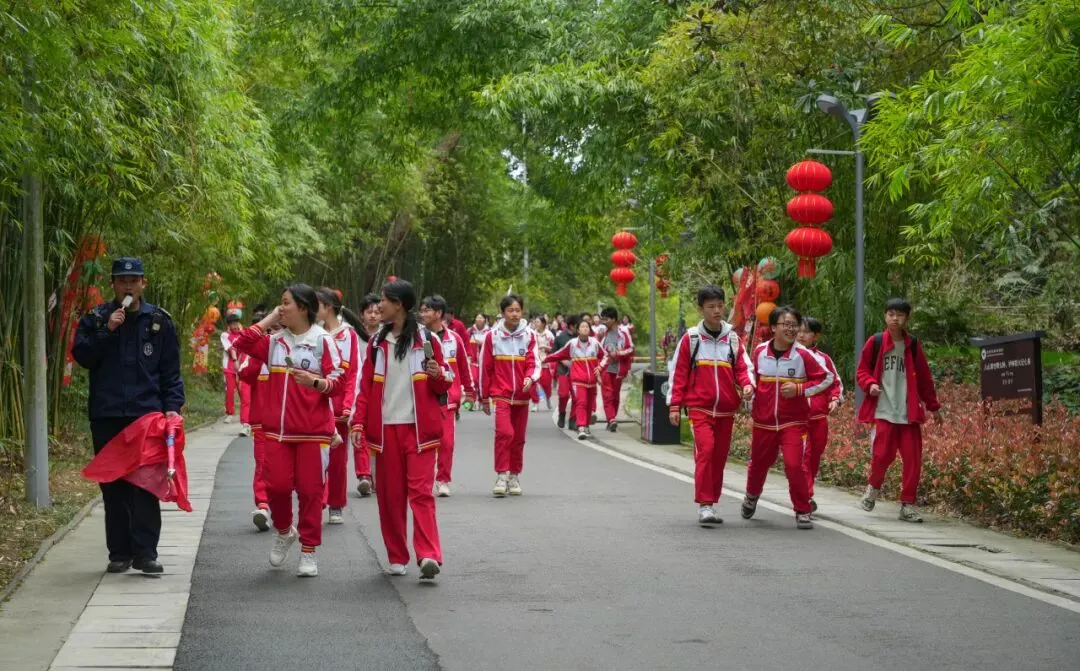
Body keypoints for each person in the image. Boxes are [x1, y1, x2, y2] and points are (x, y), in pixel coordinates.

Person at [72, 257, 185, 574]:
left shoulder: (159, 322)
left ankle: (146, 552)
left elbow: (170, 372)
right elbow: (82, 356)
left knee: (146, 484)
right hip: (107, 414)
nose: (128, 286)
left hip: (145, 416)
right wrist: (108, 330)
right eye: (122, 280)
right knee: (113, 485)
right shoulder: (96, 319)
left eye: (134, 280)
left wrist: (173, 407)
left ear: (143, 284)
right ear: (113, 284)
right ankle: (119, 552)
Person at [234, 285, 344, 577]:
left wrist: (316, 383)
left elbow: (339, 382)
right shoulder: (274, 343)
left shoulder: (322, 341)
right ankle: (284, 531)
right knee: (277, 488)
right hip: (276, 433)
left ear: (304, 308)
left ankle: (309, 550)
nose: (281, 308)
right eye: (279, 304)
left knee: (310, 492)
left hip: (312, 433)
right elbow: (242, 343)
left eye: (286, 304)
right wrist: (270, 319)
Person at [351, 280, 449, 580]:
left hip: (419, 431)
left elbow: (445, 384)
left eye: (384, 300)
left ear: (400, 305)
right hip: (386, 431)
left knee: (421, 493)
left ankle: (428, 554)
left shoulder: (428, 340)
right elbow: (364, 387)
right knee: (390, 497)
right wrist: (358, 421)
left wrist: (437, 374)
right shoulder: (377, 345)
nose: (379, 305)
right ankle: (396, 555)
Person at [666, 286, 754, 526]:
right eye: (711, 307)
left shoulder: (733, 338)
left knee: (718, 457)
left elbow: (743, 369)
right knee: (705, 451)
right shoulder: (691, 338)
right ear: (701, 309)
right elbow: (678, 373)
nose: (717, 311)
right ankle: (705, 505)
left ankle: (712, 502)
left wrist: (748, 386)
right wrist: (674, 406)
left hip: (726, 410)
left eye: (720, 306)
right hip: (700, 408)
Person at [741, 306, 834, 530]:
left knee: (795, 464)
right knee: (759, 464)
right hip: (763, 422)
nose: (792, 329)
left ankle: (802, 509)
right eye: (786, 324)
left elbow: (827, 378)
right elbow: (752, 377)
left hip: (793, 422)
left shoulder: (804, 355)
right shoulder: (760, 351)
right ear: (773, 328)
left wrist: (800, 390)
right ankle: (752, 495)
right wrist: (749, 392)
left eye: (795, 325)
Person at [857, 298, 942, 523]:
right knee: (881, 455)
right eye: (891, 314)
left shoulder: (912, 345)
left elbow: (924, 379)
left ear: (907, 319)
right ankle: (873, 488)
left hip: (908, 413)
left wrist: (933, 406)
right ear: (885, 316)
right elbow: (862, 371)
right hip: (884, 410)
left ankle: (907, 504)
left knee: (913, 460)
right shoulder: (875, 342)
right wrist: (870, 384)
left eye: (900, 315)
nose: (895, 318)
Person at [478, 293, 541, 497]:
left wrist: (530, 378)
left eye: (517, 310)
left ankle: (514, 476)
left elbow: (535, 362)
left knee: (519, 437)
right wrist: (484, 396)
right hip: (501, 394)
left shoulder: (530, 336)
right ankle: (502, 475)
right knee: (505, 433)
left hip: (522, 395)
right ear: (503, 313)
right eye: (510, 310)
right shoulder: (492, 337)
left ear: (522, 311)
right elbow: (485, 368)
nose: (514, 314)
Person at [419, 294, 474, 497]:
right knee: (424, 442)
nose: (423, 314)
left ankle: (442, 479)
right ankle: (424, 479)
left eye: (427, 310)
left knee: (447, 442)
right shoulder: (418, 338)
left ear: (439, 313)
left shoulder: (454, 339)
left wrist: (470, 392)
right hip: (423, 398)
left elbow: (463, 367)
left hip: (448, 399)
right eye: (422, 310)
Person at [316, 288, 363, 525]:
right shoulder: (312, 334)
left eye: (317, 305)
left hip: (339, 408)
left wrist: (348, 406)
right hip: (315, 405)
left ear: (328, 307)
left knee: (337, 460)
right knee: (314, 458)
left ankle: (335, 504)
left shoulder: (349, 336)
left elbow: (353, 372)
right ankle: (315, 500)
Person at [236, 321, 281, 531]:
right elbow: (245, 374)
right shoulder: (259, 354)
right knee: (262, 463)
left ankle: (282, 510)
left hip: (288, 423)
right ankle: (262, 506)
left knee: (284, 470)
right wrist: (258, 358)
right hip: (262, 421)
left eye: (282, 329)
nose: (276, 334)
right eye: (273, 329)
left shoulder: (298, 354)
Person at [796, 317, 843, 513]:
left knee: (814, 457)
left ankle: (805, 493)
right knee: (803, 458)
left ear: (816, 336)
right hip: (798, 417)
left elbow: (835, 383)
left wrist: (834, 399)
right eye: (799, 330)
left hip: (819, 417)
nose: (800, 335)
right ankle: (805, 497)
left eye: (806, 332)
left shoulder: (824, 359)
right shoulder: (791, 356)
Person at [545, 319, 604, 440]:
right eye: (582, 327)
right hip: (578, 380)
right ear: (578, 330)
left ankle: (586, 425)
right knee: (581, 402)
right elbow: (559, 354)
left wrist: (600, 368)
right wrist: (545, 359)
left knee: (588, 404)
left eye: (587, 327)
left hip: (591, 381)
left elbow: (605, 356)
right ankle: (581, 427)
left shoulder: (595, 343)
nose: (585, 329)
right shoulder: (572, 344)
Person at [352, 293, 382, 496]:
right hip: (357, 390)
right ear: (361, 315)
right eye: (368, 311)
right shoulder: (352, 336)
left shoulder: (387, 336)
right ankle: (364, 475)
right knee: (358, 429)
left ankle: (378, 476)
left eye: (377, 312)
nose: (373, 315)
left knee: (379, 435)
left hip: (380, 389)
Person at [597, 307, 635, 432]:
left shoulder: (623, 333)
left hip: (618, 370)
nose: (604, 321)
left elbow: (630, 349)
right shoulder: (603, 334)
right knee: (607, 394)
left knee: (615, 396)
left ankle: (611, 418)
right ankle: (611, 419)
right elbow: (599, 352)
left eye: (606, 319)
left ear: (613, 319)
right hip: (606, 369)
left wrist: (618, 354)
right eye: (603, 319)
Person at [552, 313, 579, 429]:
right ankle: (562, 414)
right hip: (563, 370)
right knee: (563, 395)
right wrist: (563, 361)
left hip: (578, 372)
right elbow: (554, 353)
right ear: (572, 326)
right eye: (578, 326)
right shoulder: (560, 338)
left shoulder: (581, 339)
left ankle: (573, 419)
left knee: (577, 397)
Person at [221, 314, 246, 432]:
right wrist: (235, 360)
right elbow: (230, 348)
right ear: (229, 325)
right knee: (230, 390)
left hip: (242, 366)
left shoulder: (243, 333)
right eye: (233, 323)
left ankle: (246, 414)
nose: (235, 325)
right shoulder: (225, 335)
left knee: (243, 391)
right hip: (229, 366)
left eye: (236, 323)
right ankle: (230, 413)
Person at [530, 315, 555, 413]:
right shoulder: (532, 334)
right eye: (535, 322)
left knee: (546, 384)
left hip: (545, 362)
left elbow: (554, 349)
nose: (536, 324)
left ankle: (548, 399)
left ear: (543, 323)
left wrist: (545, 346)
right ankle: (535, 403)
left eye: (538, 322)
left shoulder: (549, 335)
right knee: (533, 383)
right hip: (534, 362)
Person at [466, 313, 489, 411]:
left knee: (483, 382)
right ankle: (473, 401)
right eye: (477, 317)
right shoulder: (470, 331)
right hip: (473, 362)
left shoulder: (489, 332)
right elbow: (466, 344)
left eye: (481, 318)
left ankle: (481, 400)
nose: (479, 319)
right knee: (474, 380)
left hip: (484, 362)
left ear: (485, 320)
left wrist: (482, 343)